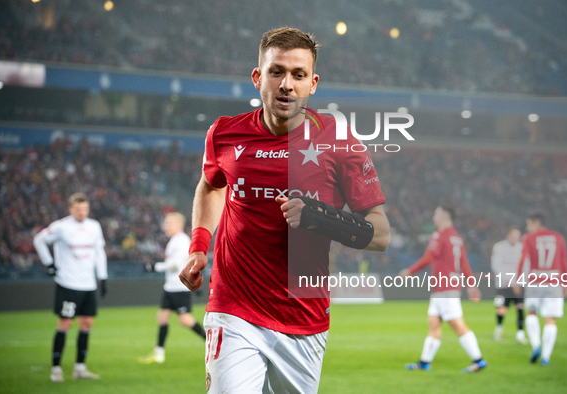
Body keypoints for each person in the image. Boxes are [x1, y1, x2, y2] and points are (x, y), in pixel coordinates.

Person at [178, 27, 390, 394]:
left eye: (298, 74)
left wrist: (320, 217)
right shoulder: (224, 134)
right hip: (234, 307)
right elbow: (211, 184)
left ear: (313, 83)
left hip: (303, 317)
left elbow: (381, 235)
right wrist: (199, 246)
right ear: (258, 77)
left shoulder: (339, 140)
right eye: (277, 71)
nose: (287, 84)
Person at [400, 205, 487, 373]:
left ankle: (479, 360)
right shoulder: (456, 237)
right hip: (447, 287)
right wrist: (471, 285)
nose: (434, 216)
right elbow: (464, 263)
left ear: (445, 216)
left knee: (456, 324)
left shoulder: (439, 235)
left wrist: (409, 271)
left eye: (436, 213)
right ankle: (425, 362)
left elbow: (429, 257)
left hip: (444, 287)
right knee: (434, 323)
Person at [33, 192, 107, 382]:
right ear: (70, 209)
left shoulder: (94, 226)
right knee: (65, 323)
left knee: (87, 323)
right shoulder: (61, 226)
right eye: (77, 209)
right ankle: (56, 369)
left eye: (84, 209)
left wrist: (103, 277)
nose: (81, 212)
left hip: (88, 284)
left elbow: (99, 252)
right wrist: (49, 263)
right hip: (68, 283)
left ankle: (80, 368)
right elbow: (39, 240)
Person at [139, 212, 206, 364]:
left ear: (178, 224)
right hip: (170, 287)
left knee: (185, 319)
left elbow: (176, 264)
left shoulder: (181, 240)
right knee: (162, 317)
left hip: (179, 287)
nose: (165, 226)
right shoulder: (174, 241)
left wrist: (154, 267)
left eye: (168, 223)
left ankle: (210, 342)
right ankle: (159, 353)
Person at [513, 212, 567, 366]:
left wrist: (518, 280)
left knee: (531, 313)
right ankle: (546, 356)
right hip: (553, 281)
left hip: (535, 281)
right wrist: (566, 282)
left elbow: (522, 259)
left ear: (537, 223)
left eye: (529, 224)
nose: (527, 227)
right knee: (550, 320)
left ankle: (536, 345)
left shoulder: (529, 238)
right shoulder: (558, 238)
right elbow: (563, 261)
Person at [491, 226, 527, 343]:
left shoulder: (522, 248)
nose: (515, 238)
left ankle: (520, 334)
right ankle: (499, 329)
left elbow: (526, 267)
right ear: (508, 236)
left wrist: (518, 282)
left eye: (518, 236)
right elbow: (496, 266)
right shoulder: (499, 247)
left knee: (520, 307)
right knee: (501, 308)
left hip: (518, 284)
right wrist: (508, 280)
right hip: (502, 284)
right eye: (513, 235)